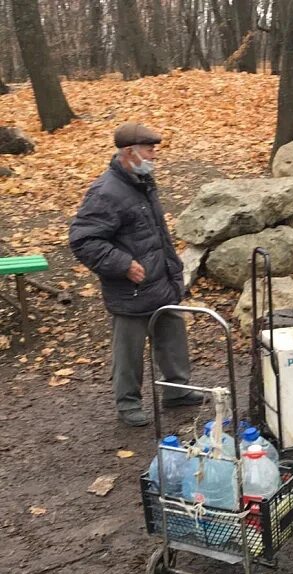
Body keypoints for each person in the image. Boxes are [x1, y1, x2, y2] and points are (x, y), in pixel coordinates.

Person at [69, 122, 206, 427]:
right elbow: (83, 240)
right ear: (129, 153)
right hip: (131, 287)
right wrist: (122, 265)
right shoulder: (106, 191)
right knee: (128, 351)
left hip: (161, 280)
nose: (154, 155)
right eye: (149, 150)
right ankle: (128, 403)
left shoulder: (142, 181)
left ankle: (177, 390)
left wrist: (173, 270)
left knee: (172, 338)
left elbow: (156, 232)